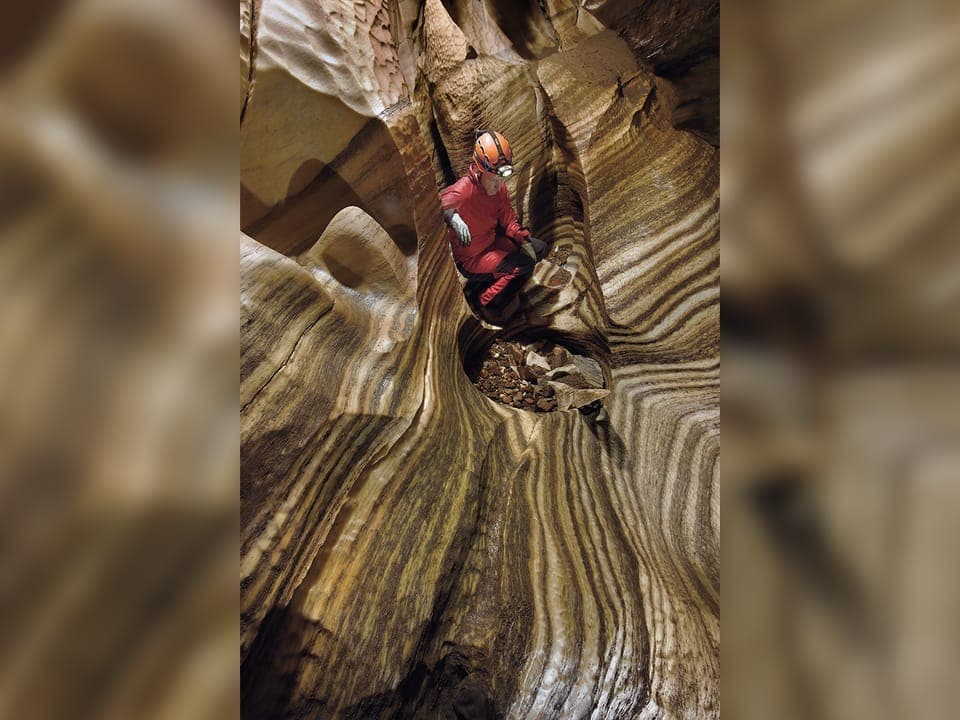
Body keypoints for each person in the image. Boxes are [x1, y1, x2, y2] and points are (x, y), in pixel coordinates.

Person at [440, 130, 548, 325]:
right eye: (492, 179)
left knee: (538, 249)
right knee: (521, 266)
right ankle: (486, 302)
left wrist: (521, 239)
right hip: (472, 258)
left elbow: (508, 220)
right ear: (480, 170)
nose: (497, 186)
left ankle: (494, 284)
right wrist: (452, 217)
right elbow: (438, 205)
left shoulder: (499, 188)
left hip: (492, 244)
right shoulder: (463, 191)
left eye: (500, 179)